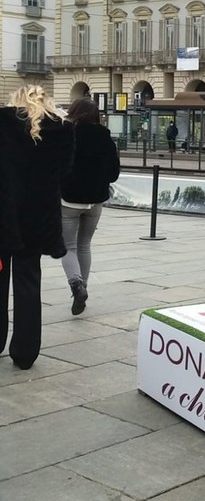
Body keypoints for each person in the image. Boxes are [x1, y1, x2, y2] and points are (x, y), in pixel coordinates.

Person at [0, 85, 74, 370]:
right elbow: (65, 172)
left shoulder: (3, 125)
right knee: (29, 282)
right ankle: (25, 352)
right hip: (38, 218)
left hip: (3, 215)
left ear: (15, 100)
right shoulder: (62, 130)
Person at [60, 98, 121, 316]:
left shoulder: (67, 133)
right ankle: (83, 288)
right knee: (84, 245)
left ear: (73, 112)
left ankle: (76, 285)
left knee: (68, 246)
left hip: (69, 200)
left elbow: (57, 167)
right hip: (96, 199)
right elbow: (114, 173)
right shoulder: (105, 136)